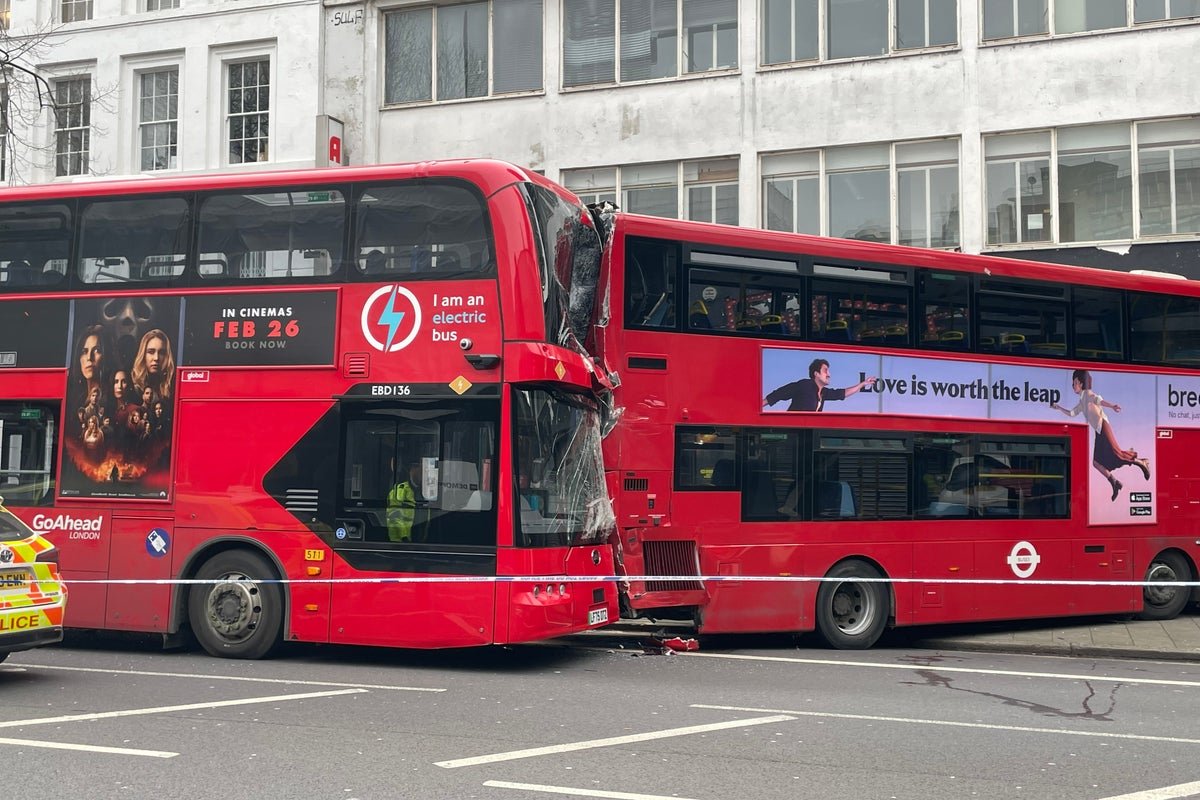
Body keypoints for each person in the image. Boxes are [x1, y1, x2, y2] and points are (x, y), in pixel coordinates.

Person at [1051, 368, 1150, 501]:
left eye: (1074, 382)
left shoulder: (1088, 394)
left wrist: (1112, 406)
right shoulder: (1082, 401)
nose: (1073, 386)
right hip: (1098, 431)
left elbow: (1098, 400)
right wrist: (1058, 408)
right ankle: (1115, 483)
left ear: (1080, 383)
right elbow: (1072, 413)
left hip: (1103, 426)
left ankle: (1141, 462)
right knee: (1096, 462)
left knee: (1117, 454)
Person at [763, 358, 877, 412]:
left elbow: (842, 393)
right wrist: (754, 408)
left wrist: (862, 384)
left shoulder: (824, 392)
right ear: (816, 374)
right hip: (793, 434)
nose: (829, 374)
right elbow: (778, 394)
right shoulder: (804, 385)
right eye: (826, 370)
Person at [131, 329, 176, 402]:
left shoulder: (172, 386)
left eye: (161, 353)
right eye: (151, 352)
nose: (156, 358)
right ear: (143, 354)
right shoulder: (132, 386)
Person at [386, 461, 423, 543]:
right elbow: (394, 517)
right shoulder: (398, 491)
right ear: (413, 470)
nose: (424, 473)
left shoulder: (423, 492)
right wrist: (404, 537)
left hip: (416, 541)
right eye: (421, 468)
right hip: (398, 543)